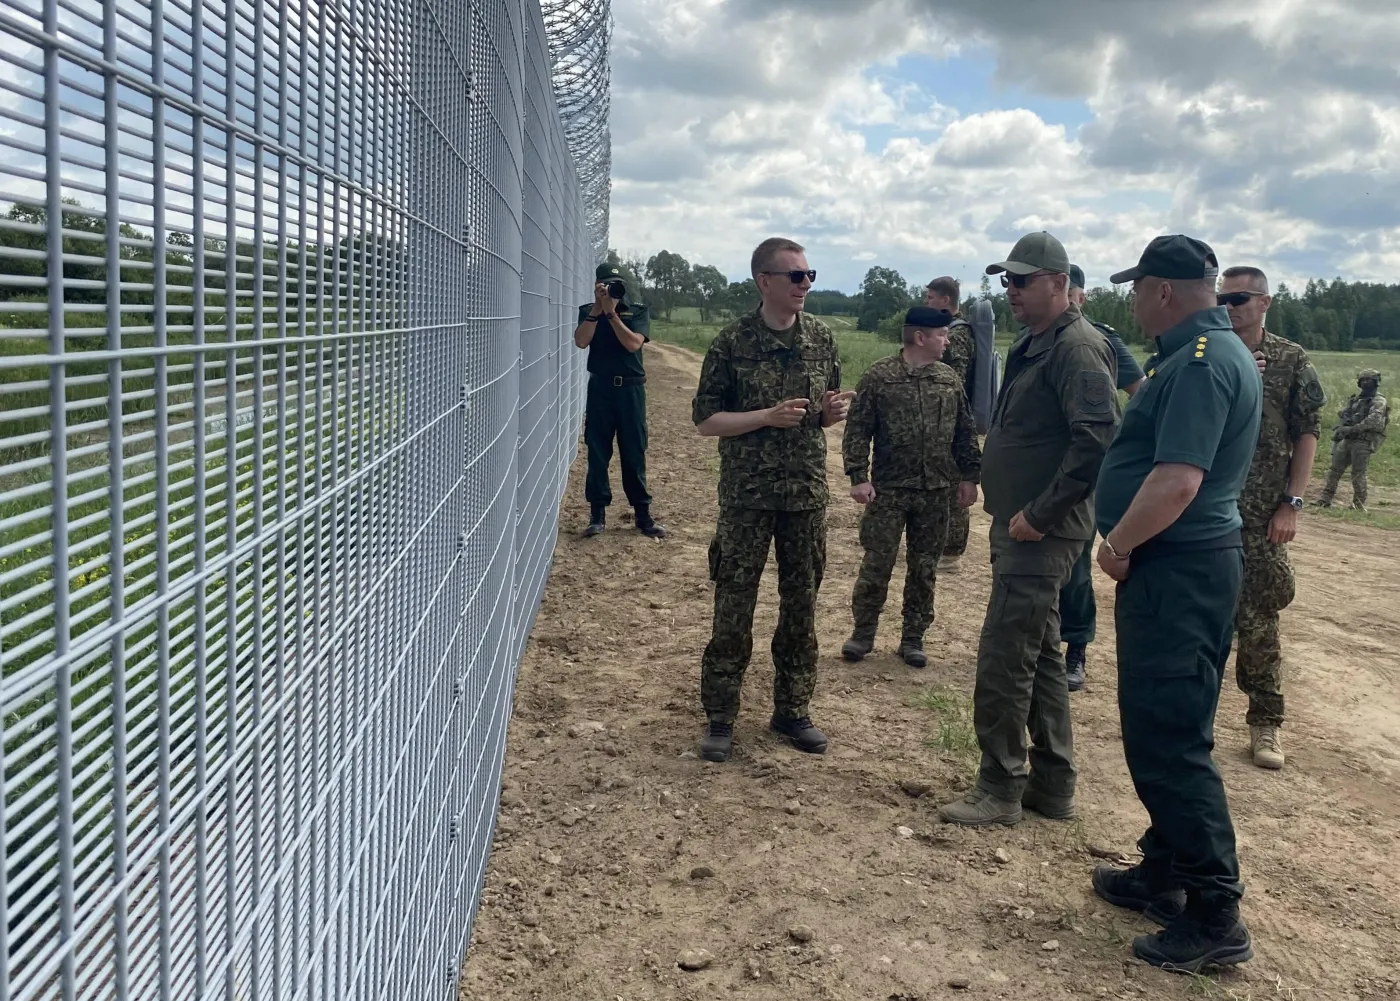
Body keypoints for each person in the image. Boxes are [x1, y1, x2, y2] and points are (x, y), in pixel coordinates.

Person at [1091, 235, 1261, 973]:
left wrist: (1119, 544)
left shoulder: (1199, 363)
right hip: (1191, 563)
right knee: (1167, 722)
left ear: (1162, 290)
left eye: (1136, 288)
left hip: (1176, 564)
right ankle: (1165, 870)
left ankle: (1215, 910)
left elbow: (1178, 480)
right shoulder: (1212, 353)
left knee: (1168, 736)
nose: (1131, 300)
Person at [935, 232, 1118, 827]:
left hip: (1039, 532)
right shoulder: (1038, 341)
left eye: (1021, 280)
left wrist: (1039, 514)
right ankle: (1053, 784)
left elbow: (1097, 442)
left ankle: (1000, 785)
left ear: (1060, 283)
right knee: (1039, 655)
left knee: (1005, 657)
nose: (1009, 291)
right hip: (1020, 525)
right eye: (1006, 280)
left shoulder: (1077, 349)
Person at [691, 237, 855, 763]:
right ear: (765, 282)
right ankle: (720, 716)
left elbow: (820, 413)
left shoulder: (822, 339)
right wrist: (763, 416)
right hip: (747, 498)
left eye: (810, 275)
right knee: (734, 606)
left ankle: (792, 709)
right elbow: (705, 421)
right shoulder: (731, 342)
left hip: (805, 496)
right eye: (796, 276)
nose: (806, 284)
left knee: (801, 608)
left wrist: (830, 414)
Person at [1219, 265, 1323, 770]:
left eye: (1240, 297)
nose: (1230, 306)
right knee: (1204, 617)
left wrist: (1292, 503)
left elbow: (1307, 432)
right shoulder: (1207, 349)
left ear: (1264, 303)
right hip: (1208, 508)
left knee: (1259, 618)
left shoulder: (1290, 360)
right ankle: (1194, 721)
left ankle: (1265, 723)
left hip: (1261, 513)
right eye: (1223, 297)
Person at [840, 307, 981, 668]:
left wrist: (970, 477)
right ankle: (863, 634)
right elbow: (858, 429)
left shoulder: (949, 380)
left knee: (925, 568)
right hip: (889, 490)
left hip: (936, 491)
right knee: (877, 563)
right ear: (920, 337)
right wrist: (858, 476)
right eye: (942, 335)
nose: (948, 341)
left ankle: (913, 638)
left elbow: (964, 433)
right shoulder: (879, 377)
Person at [1058, 264, 1146, 692]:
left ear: (1079, 296)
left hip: (1084, 468)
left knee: (1074, 566)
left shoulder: (1103, 338)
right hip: (1041, 467)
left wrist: (1124, 449)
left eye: (1071, 296)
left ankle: (1076, 648)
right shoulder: (1033, 337)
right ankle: (1036, 641)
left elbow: (1141, 394)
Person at [573, 262, 666, 538]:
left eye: (615, 285)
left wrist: (612, 315)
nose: (611, 291)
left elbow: (633, 344)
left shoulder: (636, 311)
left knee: (634, 451)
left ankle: (643, 515)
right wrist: (596, 311)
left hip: (631, 391)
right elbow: (580, 341)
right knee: (598, 451)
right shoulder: (587, 313)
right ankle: (597, 514)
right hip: (601, 389)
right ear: (597, 287)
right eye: (606, 285)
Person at [921, 278, 976, 572]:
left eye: (930, 297)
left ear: (945, 300)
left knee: (955, 485)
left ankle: (952, 553)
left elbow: (957, 380)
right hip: (943, 416)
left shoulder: (958, 334)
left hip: (953, 419)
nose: (926, 301)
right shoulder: (948, 330)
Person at [1317, 369, 1388, 511]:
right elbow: (1345, 414)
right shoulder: (1356, 399)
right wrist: (1342, 424)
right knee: (1334, 470)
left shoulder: (1379, 401)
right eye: (1363, 380)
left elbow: (1374, 422)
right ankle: (1325, 499)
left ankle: (1358, 505)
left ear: (1376, 382)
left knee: (1358, 474)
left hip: (1363, 441)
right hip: (1348, 439)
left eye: (1368, 380)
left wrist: (1352, 429)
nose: (1365, 383)